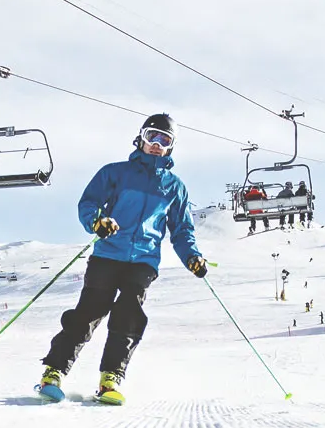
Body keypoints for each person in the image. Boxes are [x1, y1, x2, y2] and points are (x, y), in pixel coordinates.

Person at [37, 114, 206, 405]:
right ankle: (53, 372)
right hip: (108, 253)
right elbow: (89, 203)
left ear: (171, 147)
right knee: (90, 312)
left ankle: (110, 378)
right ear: (140, 137)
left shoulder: (174, 187)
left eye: (164, 140)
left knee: (128, 314)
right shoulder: (115, 173)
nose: (156, 144)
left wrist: (192, 256)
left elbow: (182, 230)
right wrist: (98, 222)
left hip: (144, 259)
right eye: (152, 136)